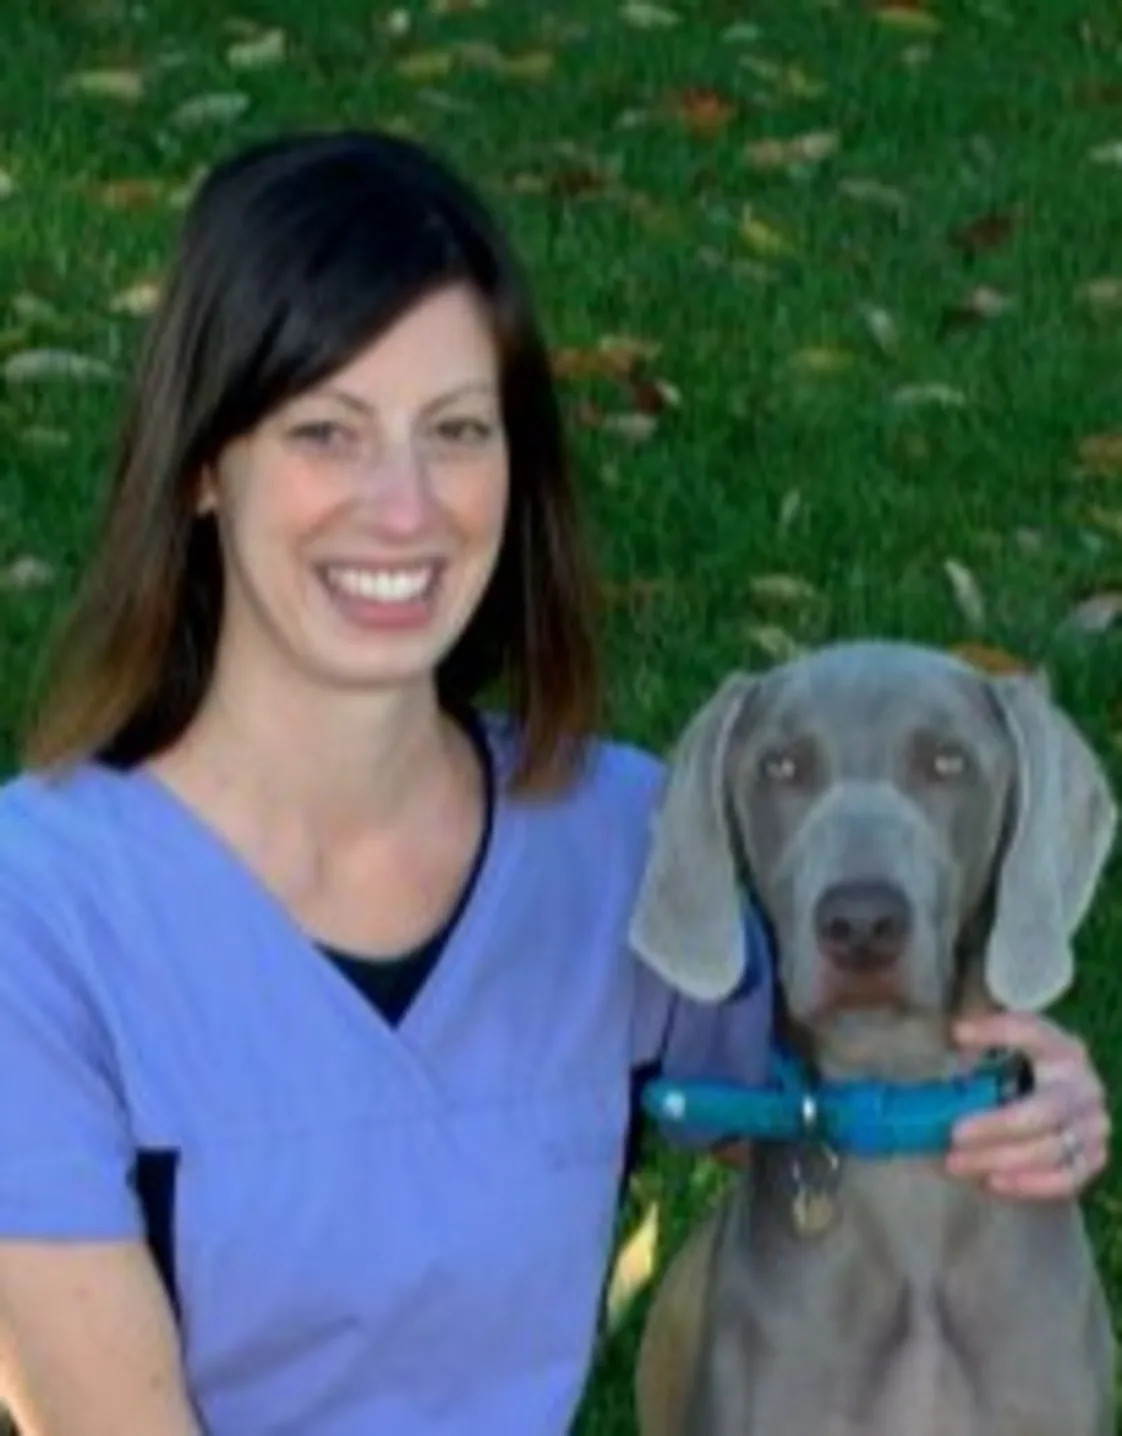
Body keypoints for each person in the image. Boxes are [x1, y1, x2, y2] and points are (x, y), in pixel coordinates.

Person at [0, 129, 1108, 1436]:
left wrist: (1017, 1094)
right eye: (326, 432)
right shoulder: (42, 913)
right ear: (200, 463)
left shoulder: (604, 840)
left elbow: (829, 1070)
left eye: (455, 431)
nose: (403, 508)